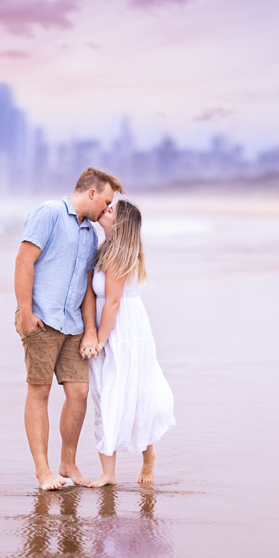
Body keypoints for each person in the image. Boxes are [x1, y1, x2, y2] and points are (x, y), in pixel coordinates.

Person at [14, 167, 124, 491]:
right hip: (42, 320)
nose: (106, 210)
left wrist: (90, 329)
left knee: (79, 393)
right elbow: (23, 262)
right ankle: (43, 471)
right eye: (105, 202)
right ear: (91, 193)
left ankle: (68, 463)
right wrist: (26, 313)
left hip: (74, 325)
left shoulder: (90, 234)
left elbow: (88, 287)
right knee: (40, 390)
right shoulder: (48, 214)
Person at [86, 200, 175, 487]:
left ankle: (148, 458)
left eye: (110, 211)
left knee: (133, 393)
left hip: (124, 330)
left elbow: (112, 303)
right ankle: (108, 473)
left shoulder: (119, 256)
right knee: (104, 394)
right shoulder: (104, 250)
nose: (104, 211)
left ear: (121, 223)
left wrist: (99, 339)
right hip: (110, 325)